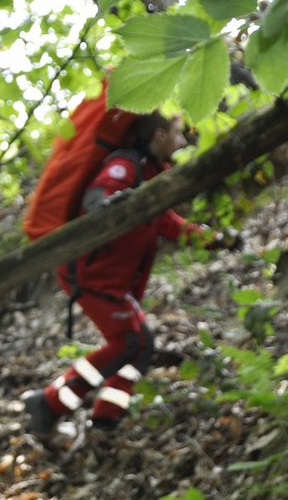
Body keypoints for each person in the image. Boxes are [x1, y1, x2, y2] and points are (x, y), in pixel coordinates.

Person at [23, 112, 236, 438]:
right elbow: (99, 195)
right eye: (177, 136)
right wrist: (108, 205)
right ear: (160, 135)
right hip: (91, 275)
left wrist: (216, 240)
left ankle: (103, 418)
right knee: (133, 341)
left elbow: (171, 224)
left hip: (111, 280)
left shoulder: (151, 175)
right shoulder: (125, 165)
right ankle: (50, 404)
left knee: (137, 345)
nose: (181, 144)